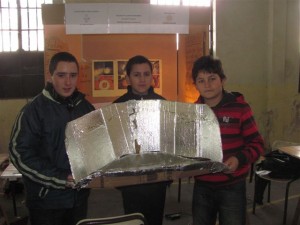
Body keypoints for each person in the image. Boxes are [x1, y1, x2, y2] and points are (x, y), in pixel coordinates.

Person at [9, 52, 95, 225]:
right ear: (50, 76)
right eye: (61, 75)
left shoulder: (86, 108)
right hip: (45, 202)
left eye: (73, 75)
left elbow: (96, 146)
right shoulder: (33, 110)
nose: (68, 82)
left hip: (78, 200)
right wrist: (60, 178)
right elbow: (19, 153)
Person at [191, 55, 264, 225]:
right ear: (195, 85)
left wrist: (239, 159)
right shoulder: (194, 112)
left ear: (222, 80)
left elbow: (257, 143)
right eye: (201, 80)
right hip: (202, 185)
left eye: (212, 79)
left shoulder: (240, 108)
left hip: (232, 186)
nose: (207, 85)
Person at [113, 55, 168, 225]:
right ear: (128, 78)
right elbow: (115, 145)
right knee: (134, 220)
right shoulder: (118, 107)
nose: (142, 79)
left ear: (152, 76)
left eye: (146, 74)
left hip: (157, 179)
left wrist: (167, 177)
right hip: (130, 181)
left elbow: (170, 142)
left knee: (155, 220)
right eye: (137, 75)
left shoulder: (164, 104)